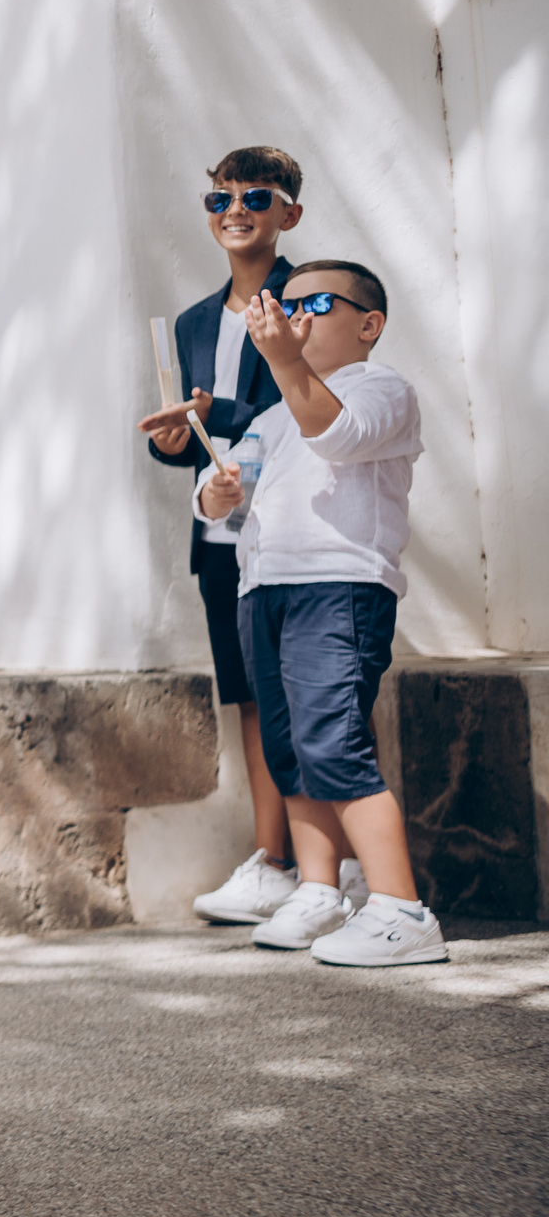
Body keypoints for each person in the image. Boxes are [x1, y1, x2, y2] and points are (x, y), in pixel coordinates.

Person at [198, 264, 442, 966]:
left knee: (333, 737)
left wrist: (280, 358)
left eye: (316, 302)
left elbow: (335, 434)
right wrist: (217, 494)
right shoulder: (272, 414)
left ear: (369, 323)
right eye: (286, 302)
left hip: (339, 585)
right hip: (263, 587)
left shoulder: (382, 387)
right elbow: (227, 503)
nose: (296, 315)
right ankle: (318, 888)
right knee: (288, 748)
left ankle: (401, 907)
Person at [138, 146, 328, 927]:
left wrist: (209, 415)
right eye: (220, 200)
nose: (236, 211)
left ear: (289, 212)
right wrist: (172, 440)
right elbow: (184, 425)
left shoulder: (312, 299)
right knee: (251, 700)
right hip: (223, 538)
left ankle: (328, 864)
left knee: (312, 697)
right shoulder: (188, 321)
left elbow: (304, 402)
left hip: (299, 533)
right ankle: (275, 860)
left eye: (255, 195)